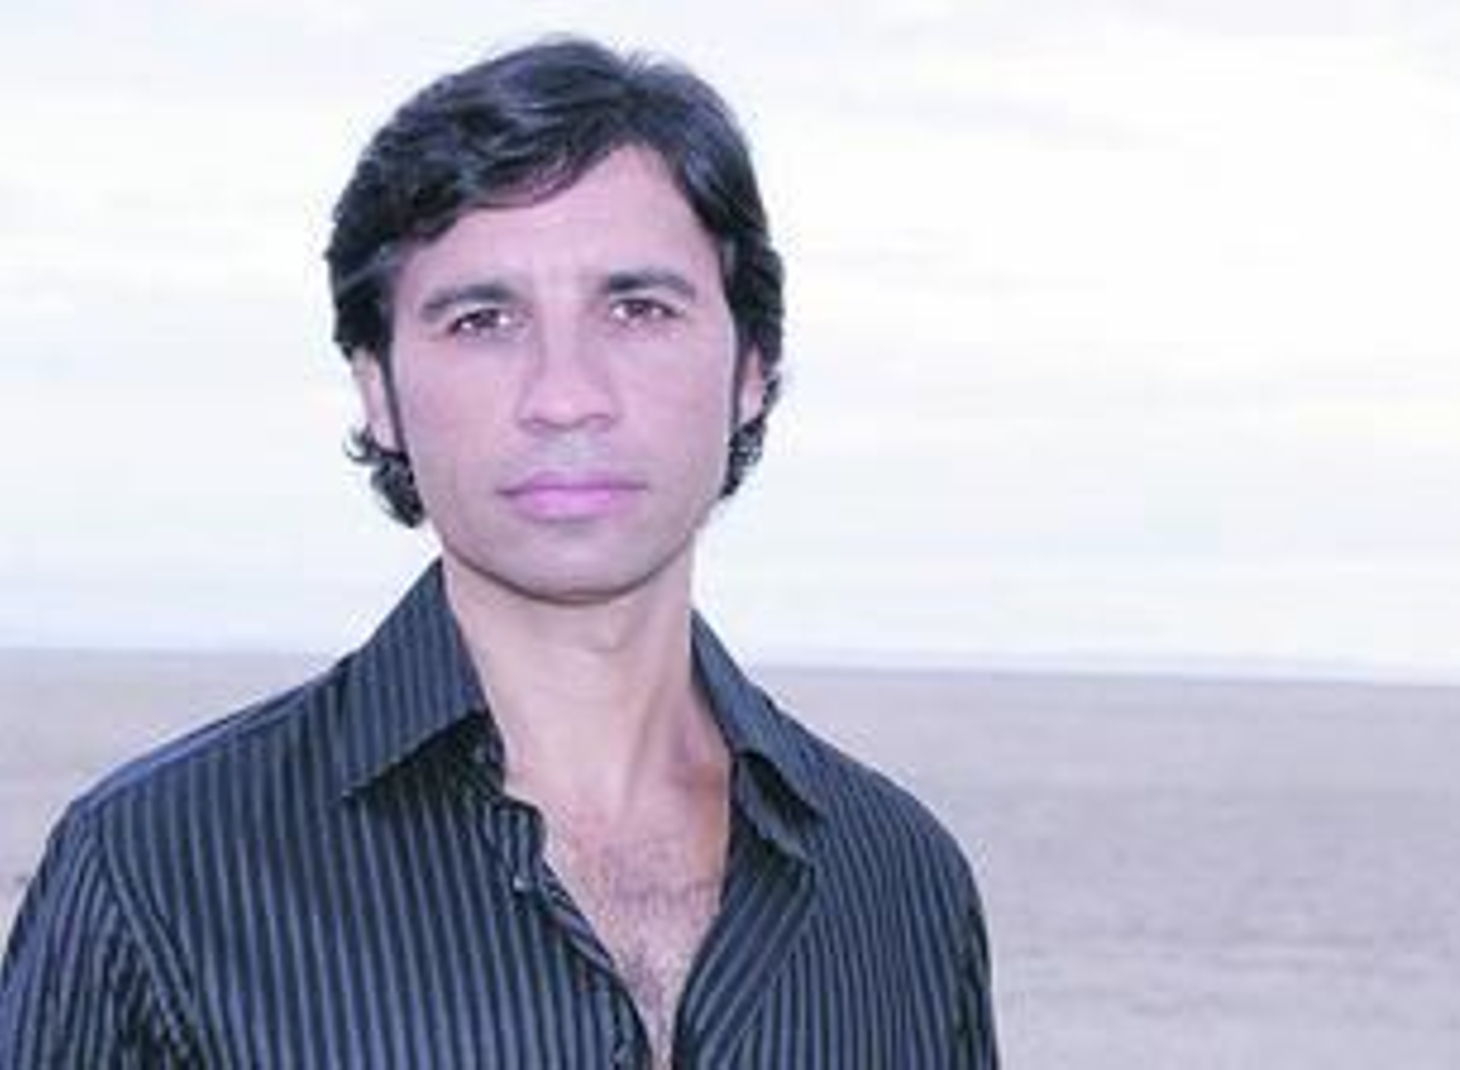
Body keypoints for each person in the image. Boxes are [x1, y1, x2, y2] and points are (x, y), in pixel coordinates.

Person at [0, 36, 997, 1068]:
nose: (565, 395)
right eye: (483, 320)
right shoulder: (159, 871)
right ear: (381, 393)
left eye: (638, 309)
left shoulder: (903, 884)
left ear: (751, 368)